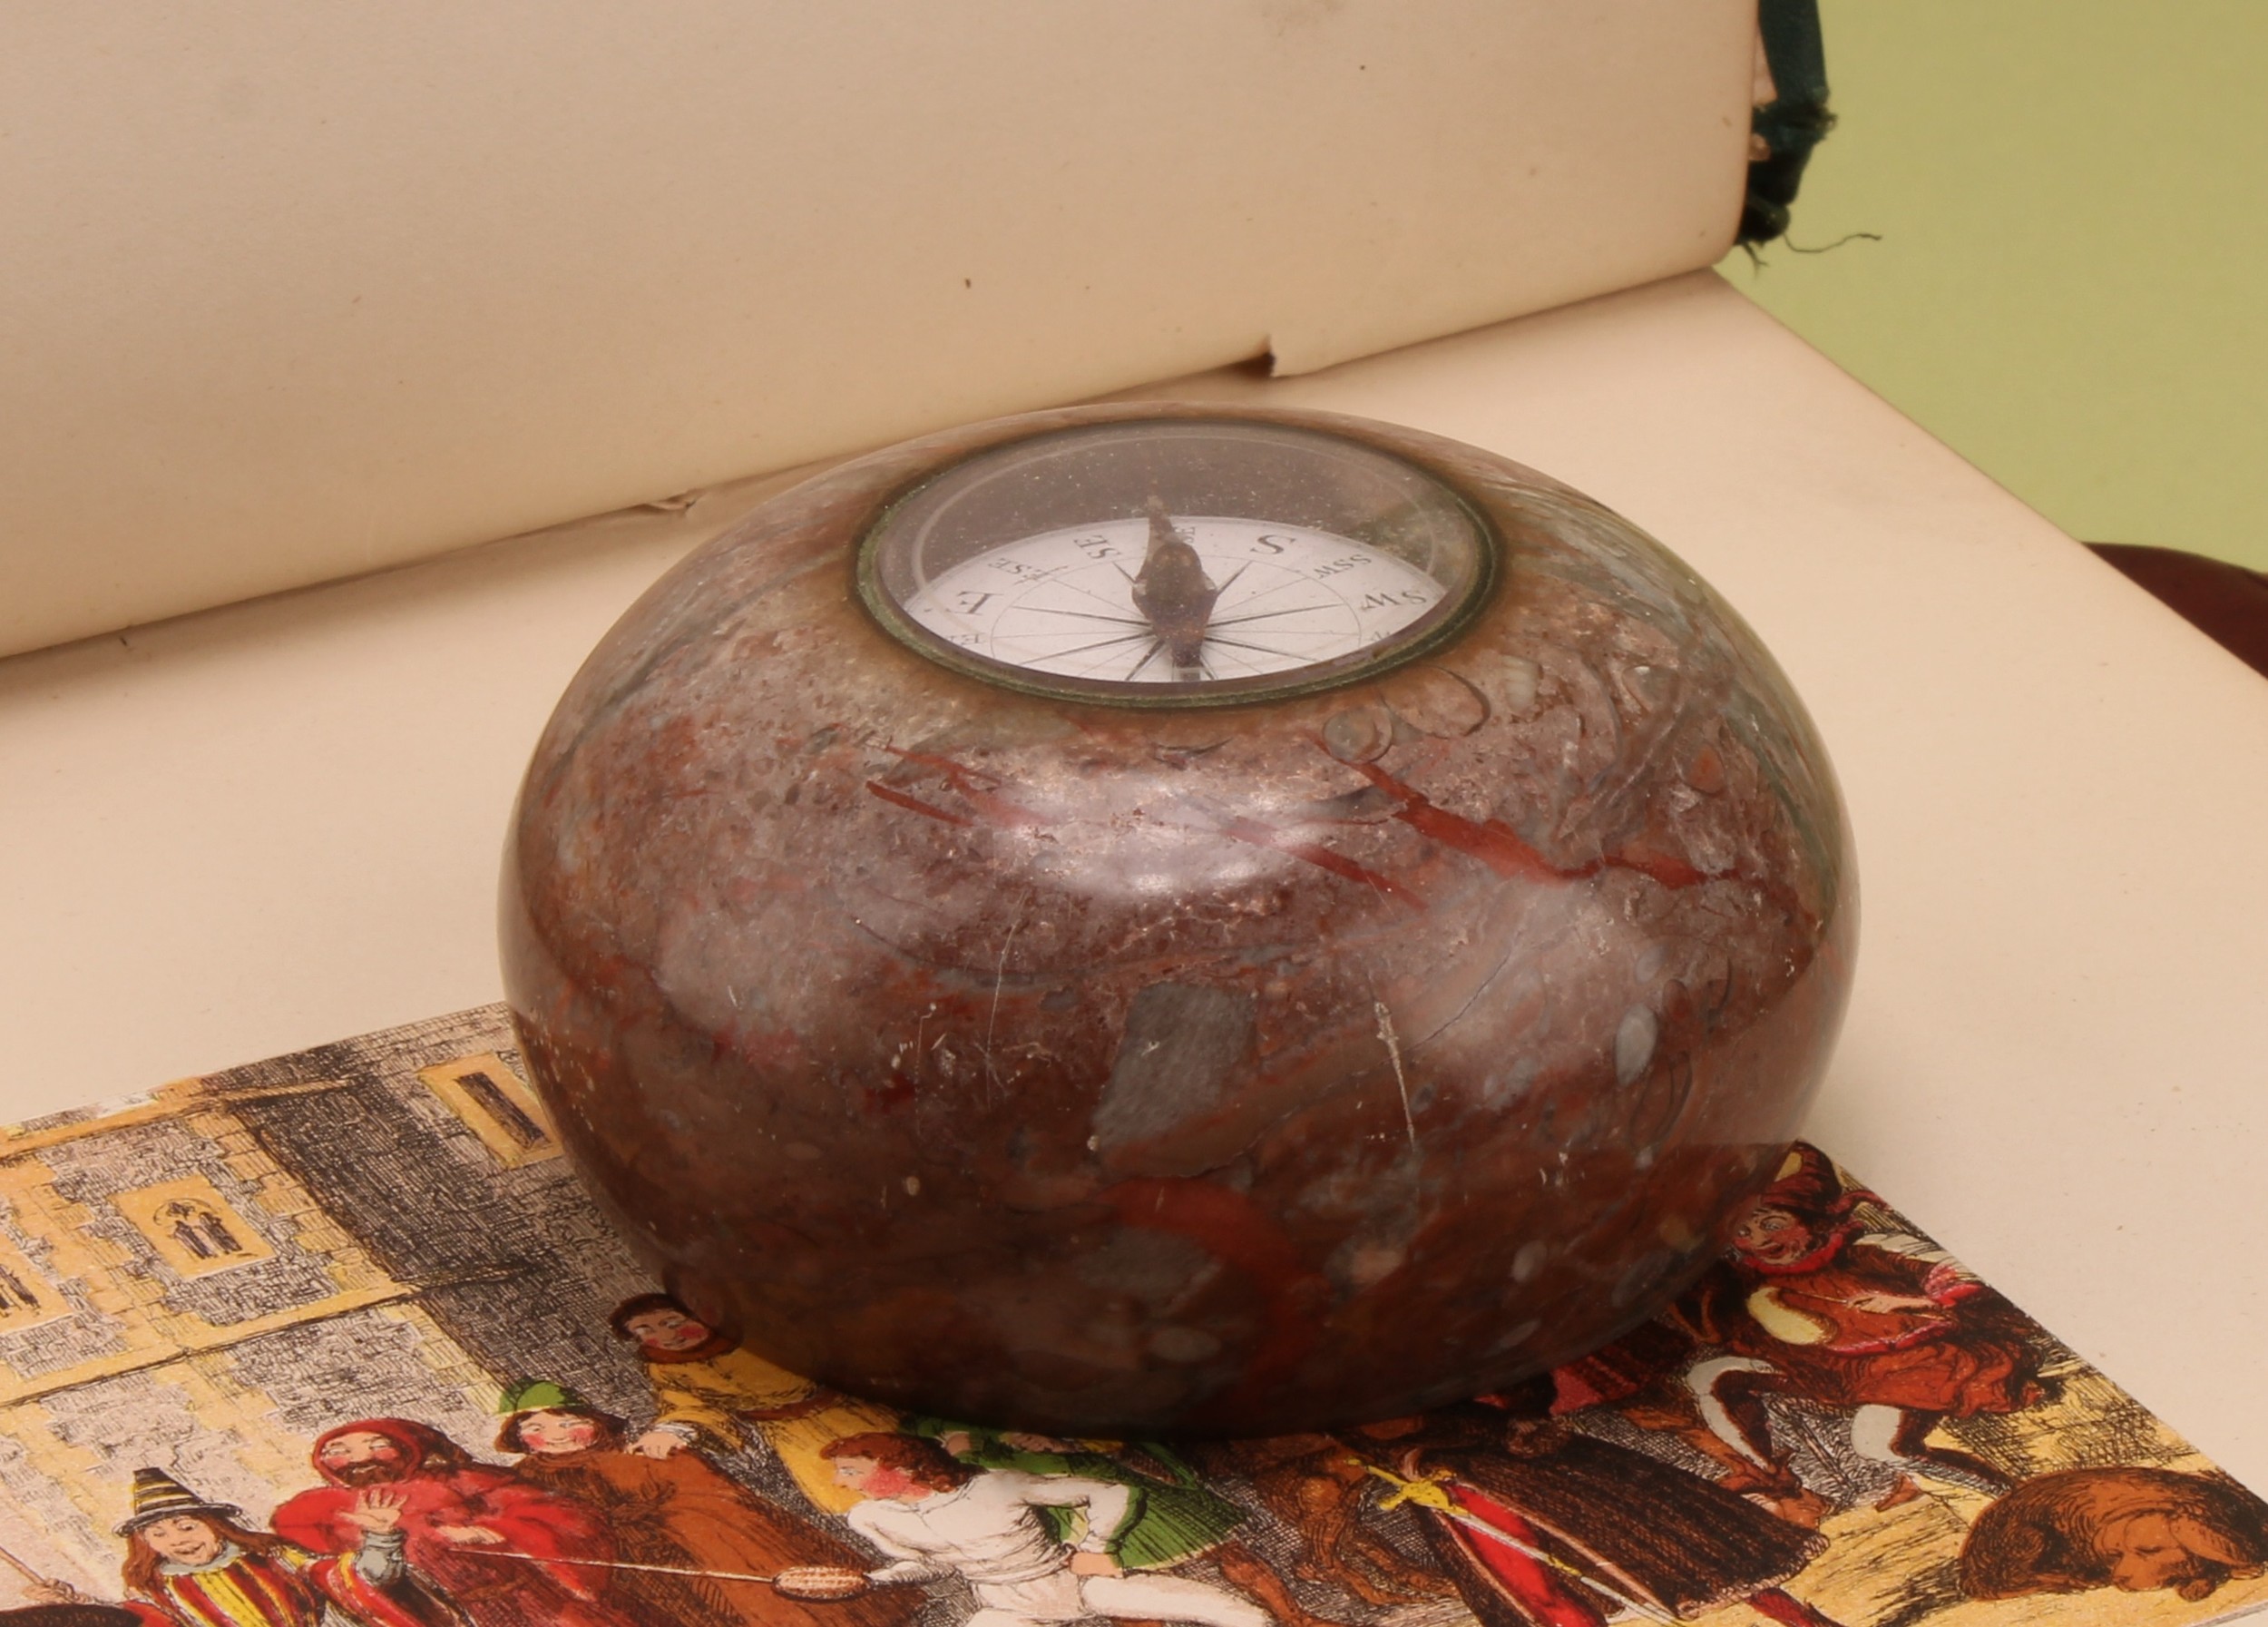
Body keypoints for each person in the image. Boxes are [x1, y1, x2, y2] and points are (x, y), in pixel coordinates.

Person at [1676, 1147, 2043, 1505]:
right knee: (1711, 1376)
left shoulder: (1866, 1250)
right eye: (1744, 1231)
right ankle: (1766, 1473)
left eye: (1773, 1224)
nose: (1760, 1240)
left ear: (1811, 1219)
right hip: (1830, 1371)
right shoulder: (1760, 1285)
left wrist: (1905, 1302)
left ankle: (2003, 1498)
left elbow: (1962, 1279)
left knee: (1876, 1444)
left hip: (1916, 1363)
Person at [1337, 1392, 1842, 1627]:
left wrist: (1521, 1417)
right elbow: (1368, 1439)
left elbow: (1523, 1387)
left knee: (1679, 1543)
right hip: (1458, 1494)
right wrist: (1412, 1462)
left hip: (1543, 1470)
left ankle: (1802, 1621)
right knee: (1530, 1591)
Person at [496, 1379, 918, 1627]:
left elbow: (709, 1495)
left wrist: (654, 1520)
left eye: (570, 1422)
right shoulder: (529, 1478)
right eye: (536, 1428)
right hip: (636, 1566)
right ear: (519, 1439)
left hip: (706, 1547)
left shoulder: (646, 1452)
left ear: (595, 1424)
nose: (557, 1435)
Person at [912, 1421, 1356, 1627]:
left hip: (1141, 1497)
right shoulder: (989, 1450)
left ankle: (1295, 1618)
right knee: (1127, 1597)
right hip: (1083, 1518)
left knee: (1230, 1553)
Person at [822, 1432, 1270, 1627]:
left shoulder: (995, 1488)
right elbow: (930, 1566)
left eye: (850, 1471)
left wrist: (1097, 1547)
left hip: (1078, 1585)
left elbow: (1111, 1491)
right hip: (1005, 1610)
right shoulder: (869, 1518)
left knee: (1242, 1615)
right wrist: (876, 1580)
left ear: (900, 1467)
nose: (840, 1482)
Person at [269, 1418, 632, 1627]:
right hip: (443, 1616)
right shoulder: (315, 1511)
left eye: (377, 1445)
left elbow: (566, 1516)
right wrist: (381, 1538)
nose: (360, 1458)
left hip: (537, 1603)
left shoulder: (463, 1480)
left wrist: (499, 1531)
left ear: (408, 1447)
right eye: (339, 1451)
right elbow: (341, 1575)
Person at [21, 1467, 455, 1627]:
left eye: (186, 1526)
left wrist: (380, 1538)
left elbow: (362, 1580)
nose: (177, 1539)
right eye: (159, 1534)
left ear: (215, 1526)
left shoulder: (276, 1559)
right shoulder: (158, 1588)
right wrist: (73, 1606)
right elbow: (138, 1621)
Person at [611, 1294, 901, 1515]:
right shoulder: (665, 1368)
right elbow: (690, 1405)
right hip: (790, 1435)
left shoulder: (757, 1333)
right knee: (842, 1493)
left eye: (674, 1323)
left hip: (845, 1412)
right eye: (645, 1331)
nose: (667, 1336)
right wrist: (671, 1431)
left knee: (899, 1464)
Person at [1960, 1467, 2268, 1602]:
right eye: (2115, 1556)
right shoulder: (2146, 1527)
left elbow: (2197, 1535)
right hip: (2016, 1549)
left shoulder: (2193, 1521)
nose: (2120, 1574)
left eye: (2147, 1551)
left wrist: (2229, 1564)